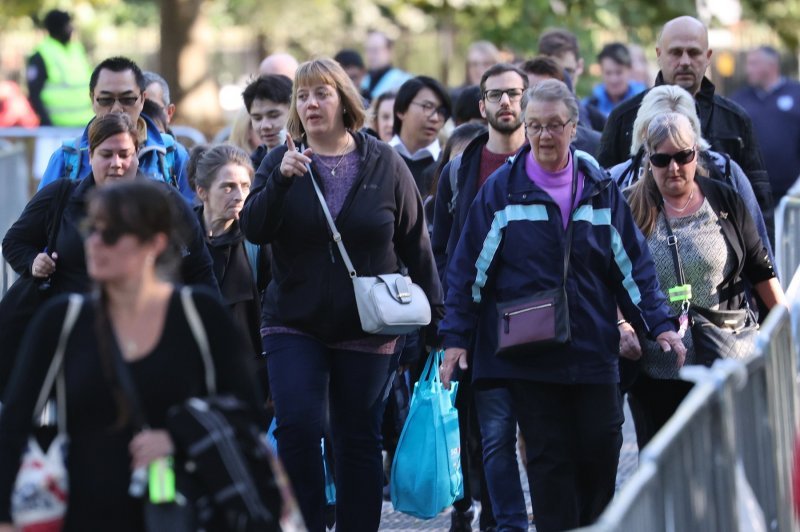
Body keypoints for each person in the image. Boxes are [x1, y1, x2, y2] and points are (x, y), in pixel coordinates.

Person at [438, 79, 685, 532]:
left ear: (574, 127)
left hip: (593, 351)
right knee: (549, 465)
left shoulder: (597, 185)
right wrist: (455, 339)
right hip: (531, 355)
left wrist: (660, 324)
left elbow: (633, 266)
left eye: (555, 125)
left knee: (602, 452)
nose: (544, 135)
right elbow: (467, 270)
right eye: (535, 126)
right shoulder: (502, 190)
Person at [239, 57, 443, 532]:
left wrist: (440, 322)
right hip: (294, 320)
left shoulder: (384, 162)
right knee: (299, 429)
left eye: (321, 94)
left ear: (344, 100)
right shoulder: (280, 160)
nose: (310, 104)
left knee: (357, 438)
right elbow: (254, 227)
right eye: (303, 96)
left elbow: (416, 244)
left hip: (369, 324)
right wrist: (281, 182)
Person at [0, 179, 262, 531]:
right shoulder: (63, 320)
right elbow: (15, 425)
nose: (92, 243)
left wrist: (177, 437)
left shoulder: (197, 316)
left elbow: (248, 413)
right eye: (91, 230)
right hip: (84, 513)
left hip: (182, 510)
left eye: (109, 235)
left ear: (154, 244)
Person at [0, 113, 218, 396]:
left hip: (147, 341)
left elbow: (199, 270)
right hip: (72, 341)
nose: (116, 164)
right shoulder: (61, 196)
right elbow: (15, 241)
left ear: (138, 155)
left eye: (124, 154)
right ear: (90, 155)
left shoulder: (166, 202)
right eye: (106, 154)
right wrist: (33, 262)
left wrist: (212, 332)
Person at [623, 112, 784, 448]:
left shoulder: (724, 198)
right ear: (648, 159)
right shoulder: (629, 207)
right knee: (667, 466)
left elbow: (760, 269)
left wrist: (787, 328)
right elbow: (609, 278)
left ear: (695, 152)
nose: (674, 168)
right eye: (662, 159)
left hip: (725, 356)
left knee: (727, 457)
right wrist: (621, 324)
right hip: (658, 371)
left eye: (683, 156)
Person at [432, 62, 530, 532]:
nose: (506, 102)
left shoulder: (550, 161)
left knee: (540, 434)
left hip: (541, 318)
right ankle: (499, 522)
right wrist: (450, 328)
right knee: (489, 437)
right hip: (480, 323)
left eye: (514, 93)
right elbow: (443, 251)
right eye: (497, 95)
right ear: (482, 105)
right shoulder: (458, 171)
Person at [598, 16, 772, 228]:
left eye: (694, 52)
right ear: (659, 55)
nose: (685, 61)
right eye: (676, 52)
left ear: (708, 57)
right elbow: (602, 198)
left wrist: (763, 258)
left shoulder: (735, 120)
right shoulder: (625, 118)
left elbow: (759, 204)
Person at [607, 85, 773, 266]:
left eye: (678, 131)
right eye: (658, 130)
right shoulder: (619, 180)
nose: (673, 165)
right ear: (644, 134)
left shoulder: (726, 173)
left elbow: (760, 256)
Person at [37, 56, 195, 202]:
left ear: (142, 99)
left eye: (127, 99)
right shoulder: (66, 159)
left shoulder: (172, 155)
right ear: (92, 100)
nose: (117, 109)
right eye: (106, 100)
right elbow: (37, 225)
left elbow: (193, 222)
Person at [192, 144, 268, 360]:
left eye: (245, 186)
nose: (239, 196)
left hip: (249, 369)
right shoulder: (182, 239)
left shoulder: (258, 239)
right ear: (202, 191)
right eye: (228, 187)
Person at [732, 46, 800, 205]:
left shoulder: (796, 94)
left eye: (753, 64)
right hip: (751, 192)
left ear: (771, 66)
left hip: (792, 192)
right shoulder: (739, 99)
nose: (748, 70)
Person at [520, 56, 601, 156]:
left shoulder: (594, 145)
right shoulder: (508, 144)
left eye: (547, 92)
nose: (538, 100)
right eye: (531, 92)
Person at [27, 9, 94, 126]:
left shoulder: (77, 49)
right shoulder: (41, 54)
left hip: (85, 126)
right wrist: (47, 123)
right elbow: (34, 95)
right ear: (57, 28)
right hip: (56, 129)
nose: (71, 29)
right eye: (68, 25)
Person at [390, 75, 452, 193]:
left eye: (441, 112)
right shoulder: (376, 159)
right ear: (401, 110)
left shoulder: (447, 167)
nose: (435, 118)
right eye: (427, 107)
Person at [537, 28, 606, 132]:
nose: (561, 81)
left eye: (567, 72)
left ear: (579, 66)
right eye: (552, 74)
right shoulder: (524, 119)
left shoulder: (597, 121)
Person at [242, 74, 293, 168]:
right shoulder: (249, 169)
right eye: (257, 118)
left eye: (274, 116)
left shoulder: (313, 158)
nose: (265, 126)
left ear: (293, 112)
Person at [584, 43, 646, 117]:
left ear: (629, 70)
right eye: (608, 73)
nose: (613, 79)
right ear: (601, 71)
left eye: (619, 72)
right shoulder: (589, 106)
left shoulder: (645, 101)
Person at [361, 31, 412, 102]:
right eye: (368, 50)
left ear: (389, 51)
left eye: (375, 50)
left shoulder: (403, 81)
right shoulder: (362, 81)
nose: (371, 55)